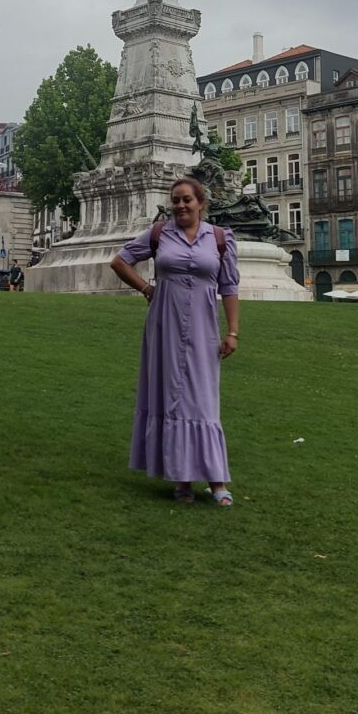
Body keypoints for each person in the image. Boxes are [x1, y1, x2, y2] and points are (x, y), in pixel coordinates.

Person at [109, 177, 239, 507]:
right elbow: (120, 261)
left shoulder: (220, 239)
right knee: (170, 397)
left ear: (201, 203)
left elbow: (229, 287)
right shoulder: (159, 233)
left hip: (203, 327)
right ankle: (181, 479)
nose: (180, 205)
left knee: (203, 400)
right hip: (164, 325)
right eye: (175, 200)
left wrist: (232, 332)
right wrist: (146, 288)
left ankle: (216, 480)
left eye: (186, 200)